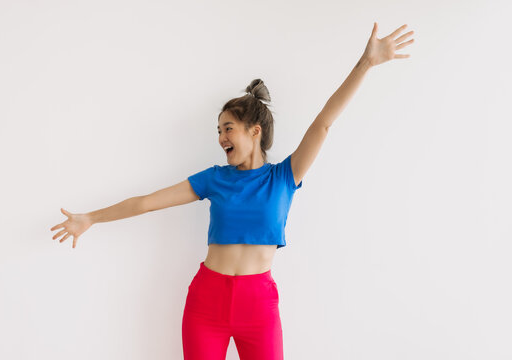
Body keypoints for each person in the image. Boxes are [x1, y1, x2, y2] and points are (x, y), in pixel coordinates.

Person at [50, 22, 414, 360]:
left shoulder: (284, 176)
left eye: (228, 128)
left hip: (259, 307)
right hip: (206, 301)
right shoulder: (214, 179)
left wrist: (365, 64)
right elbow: (147, 202)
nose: (221, 137)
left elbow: (323, 123)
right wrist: (90, 218)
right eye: (219, 130)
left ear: (254, 131)